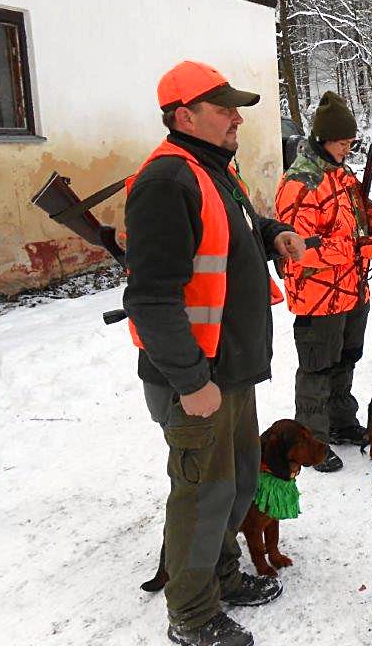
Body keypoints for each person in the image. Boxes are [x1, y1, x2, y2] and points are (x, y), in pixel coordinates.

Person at [123, 60, 307, 646]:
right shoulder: (166, 183)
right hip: (196, 377)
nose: (237, 116)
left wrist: (273, 232)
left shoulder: (210, 171)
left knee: (232, 485)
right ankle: (193, 614)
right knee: (203, 495)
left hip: (228, 369)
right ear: (184, 115)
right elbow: (151, 298)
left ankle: (223, 575)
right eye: (224, 107)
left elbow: (236, 230)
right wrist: (189, 378)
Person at [275, 91, 372, 473]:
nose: (348, 148)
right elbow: (301, 249)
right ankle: (312, 443)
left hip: (352, 290)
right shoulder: (300, 183)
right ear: (324, 139)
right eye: (344, 142)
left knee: (346, 361)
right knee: (317, 371)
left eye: (350, 142)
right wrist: (358, 249)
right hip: (318, 297)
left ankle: (341, 423)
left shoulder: (340, 172)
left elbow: (362, 209)